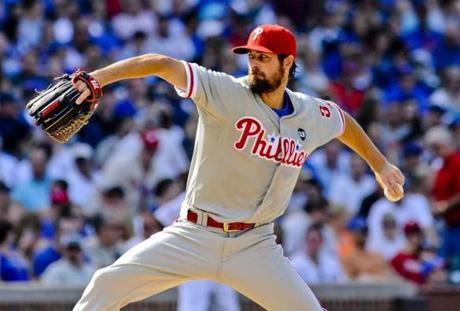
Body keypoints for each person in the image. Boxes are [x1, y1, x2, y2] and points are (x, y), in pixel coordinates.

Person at [72, 24, 404, 311]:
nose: (254, 64)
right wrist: (96, 80)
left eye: (264, 58)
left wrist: (381, 165)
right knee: (106, 284)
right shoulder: (225, 91)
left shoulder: (310, 113)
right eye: (251, 56)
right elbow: (161, 63)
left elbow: (344, 122)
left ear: (288, 62)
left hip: (255, 245)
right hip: (194, 234)